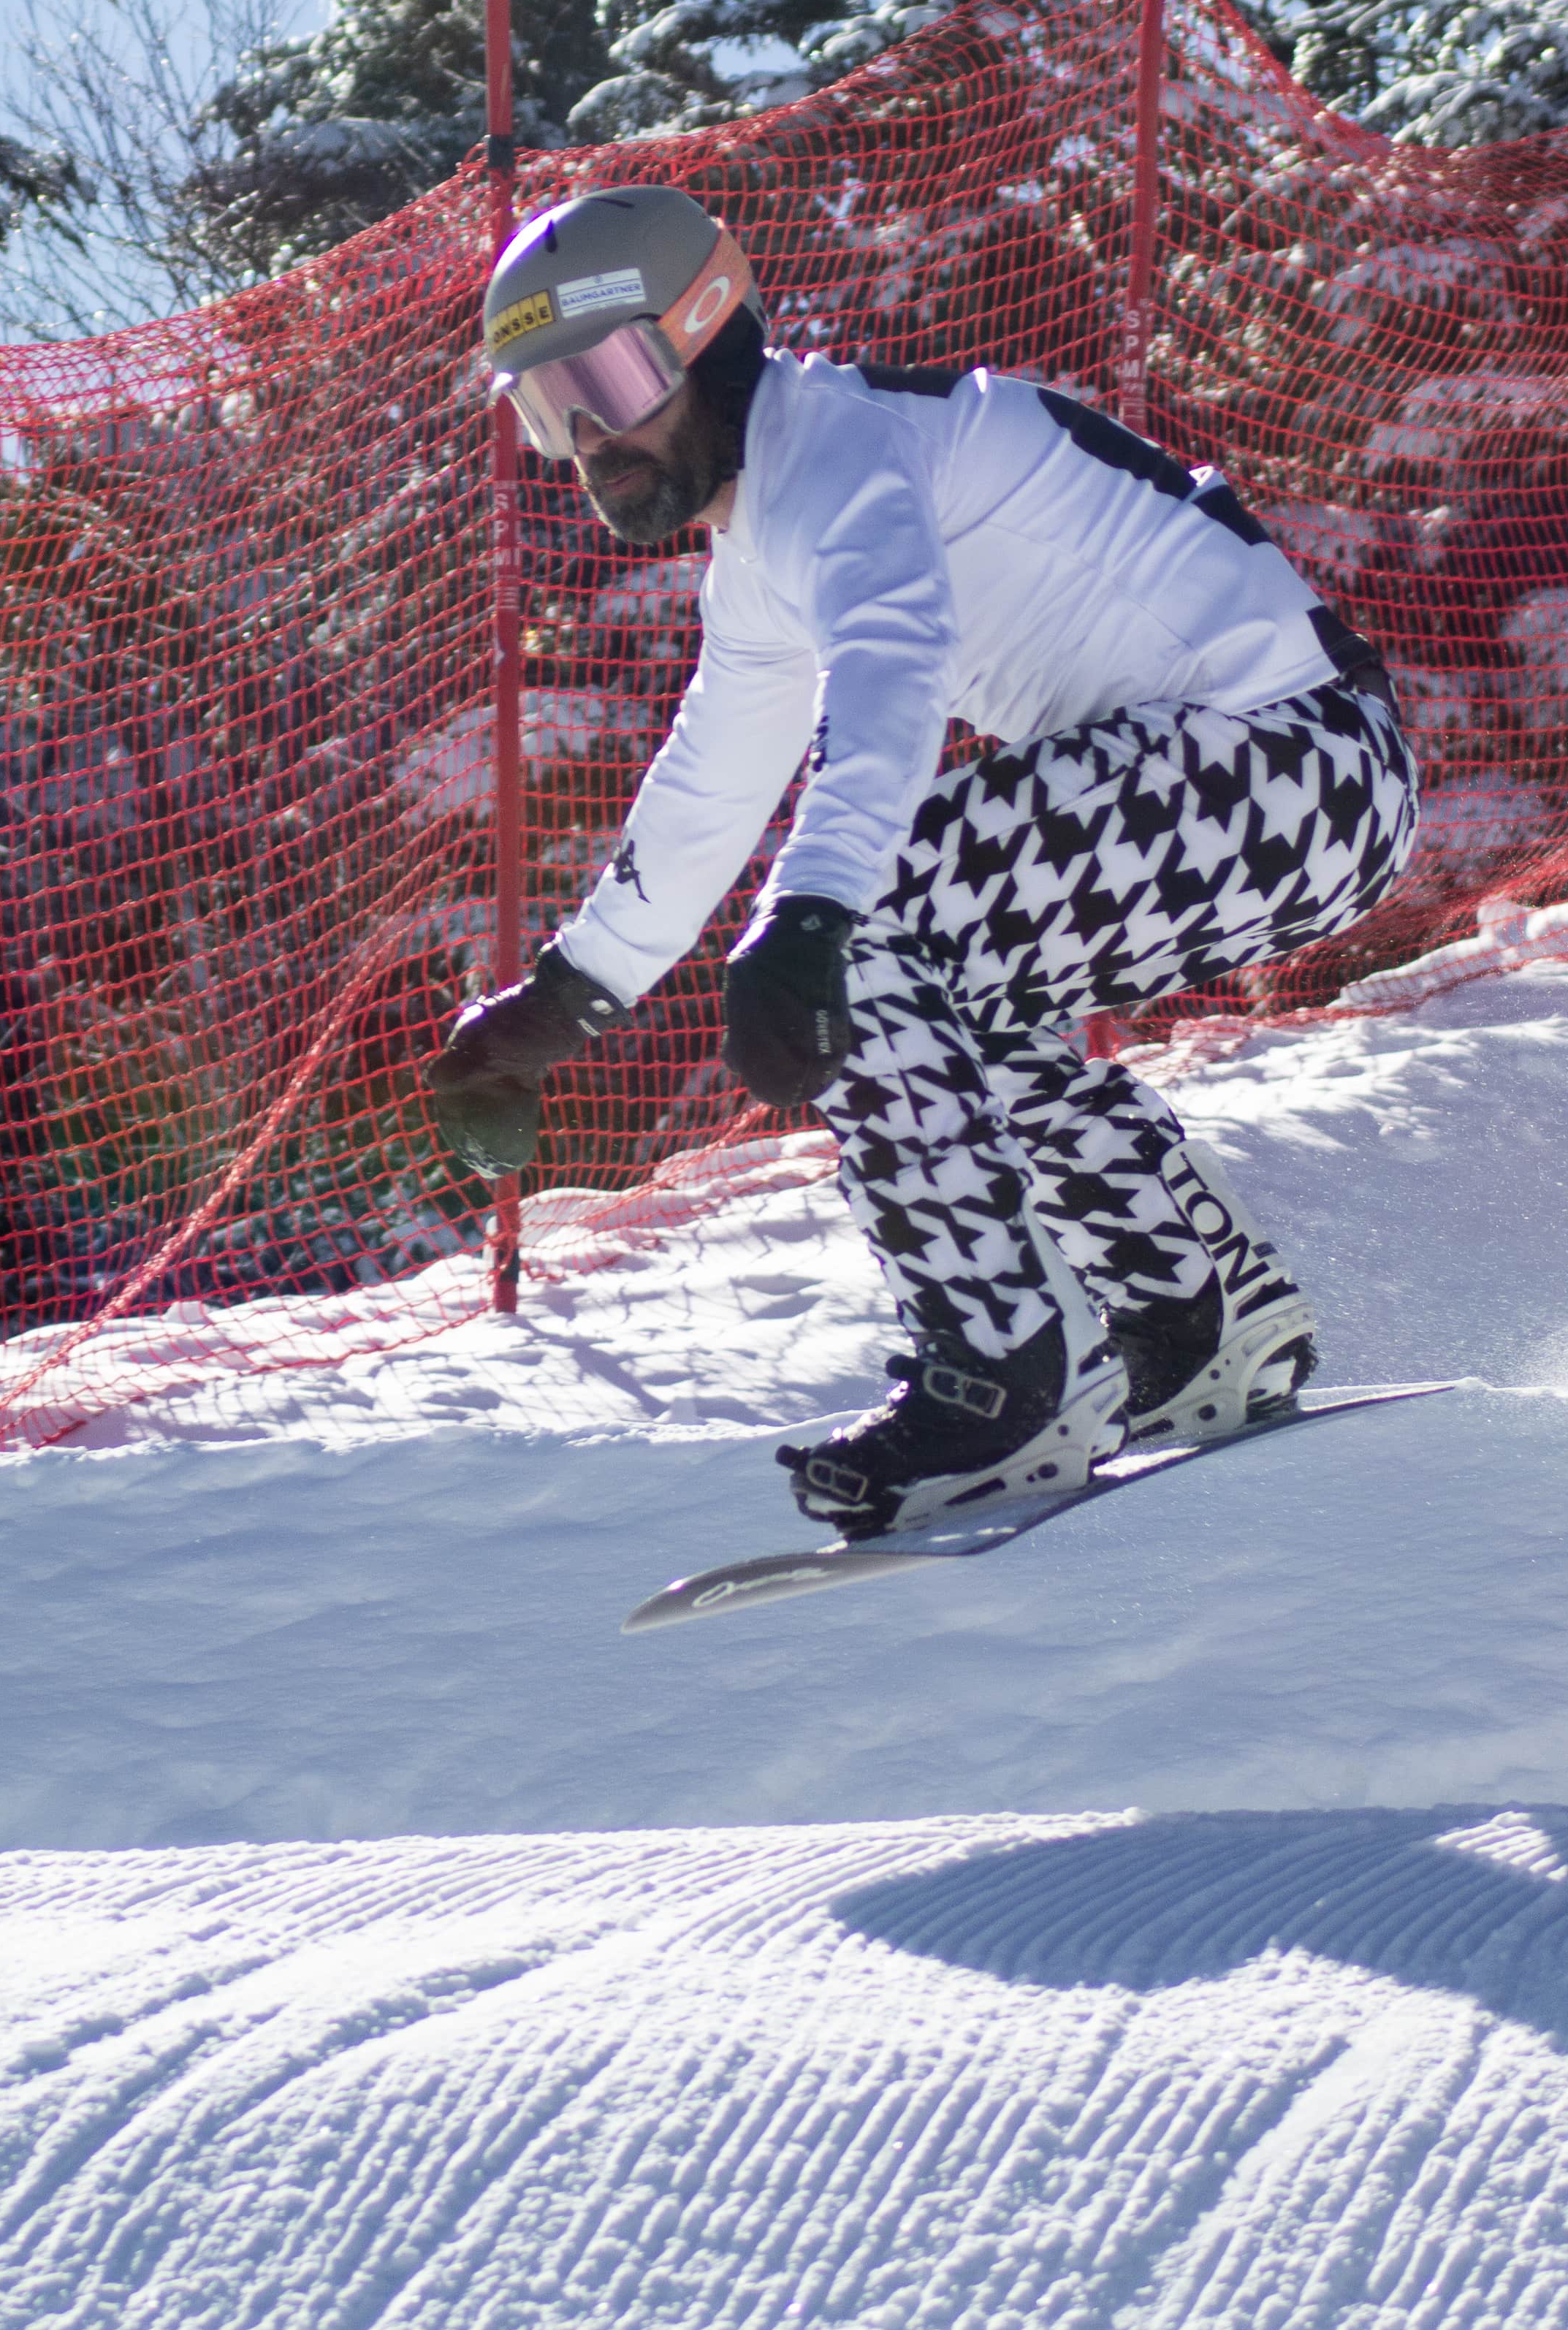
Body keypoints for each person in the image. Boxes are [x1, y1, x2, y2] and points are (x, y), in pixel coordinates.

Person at [425, 184, 1417, 1540]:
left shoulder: (837, 447)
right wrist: (558, 1007)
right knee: (958, 985)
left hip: (1292, 761)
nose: (591, 439)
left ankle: (1003, 1371)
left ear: (713, 335)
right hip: (1282, 780)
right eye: (549, 408)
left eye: (612, 375)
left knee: (884, 927)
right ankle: (1192, 1315)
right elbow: (709, 784)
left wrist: (820, 915)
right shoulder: (764, 543)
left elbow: (893, 669)